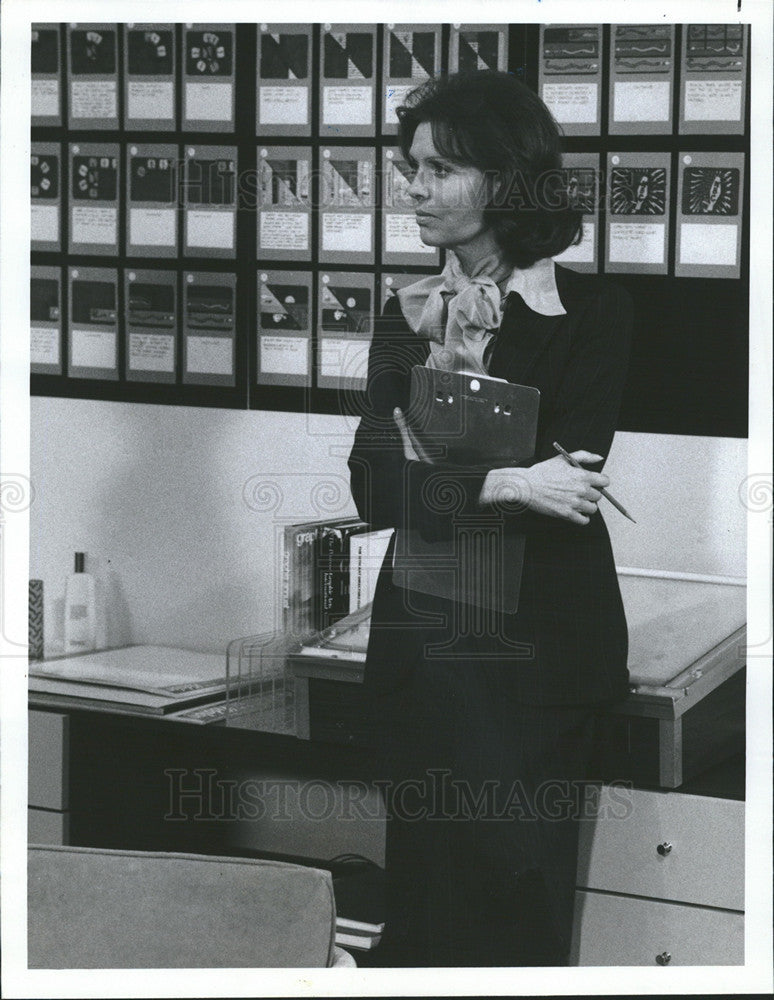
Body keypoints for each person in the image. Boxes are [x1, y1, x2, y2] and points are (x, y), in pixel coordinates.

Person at [347, 70, 633, 967]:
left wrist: (442, 473)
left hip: (539, 662)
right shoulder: (405, 314)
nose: (413, 187)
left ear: (506, 180)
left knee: (520, 920)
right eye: (410, 166)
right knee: (424, 922)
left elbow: (574, 474)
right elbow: (374, 485)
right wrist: (509, 485)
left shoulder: (594, 312)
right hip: (427, 655)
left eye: (437, 169)